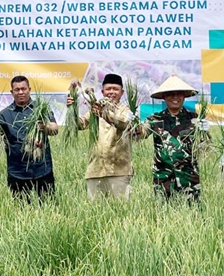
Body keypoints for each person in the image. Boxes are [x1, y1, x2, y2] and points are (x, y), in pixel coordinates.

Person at [67, 74, 134, 200]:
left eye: (115, 89)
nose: (111, 92)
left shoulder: (127, 110)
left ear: (122, 92)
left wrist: (105, 114)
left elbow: (125, 124)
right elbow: (79, 125)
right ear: (102, 92)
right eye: (108, 89)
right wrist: (72, 108)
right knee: (95, 213)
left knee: (122, 213)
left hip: (120, 171)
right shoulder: (94, 110)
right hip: (95, 170)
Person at [0, 75, 58, 201]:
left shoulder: (41, 108)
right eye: (17, 89)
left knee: (49, 208)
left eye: (23, 88)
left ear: (29, 89)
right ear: (12, 92)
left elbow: (54, 129)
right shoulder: (4, 115)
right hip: (17, 172)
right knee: (20, 213)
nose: (21, 92)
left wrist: (44, 126)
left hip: (43, 169)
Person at [140, 74, 206, 202]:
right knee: (164, 217)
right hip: (163, 179)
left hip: (189, 179)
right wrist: (131, 123)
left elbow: (205, 146)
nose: (175, 97)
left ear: (184, 96)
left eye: (179, 93)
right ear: (164, 97)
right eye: (170, 93)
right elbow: (140, 133)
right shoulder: (155, 119)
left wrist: (204, 131)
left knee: (192, 216)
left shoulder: (195, 118)